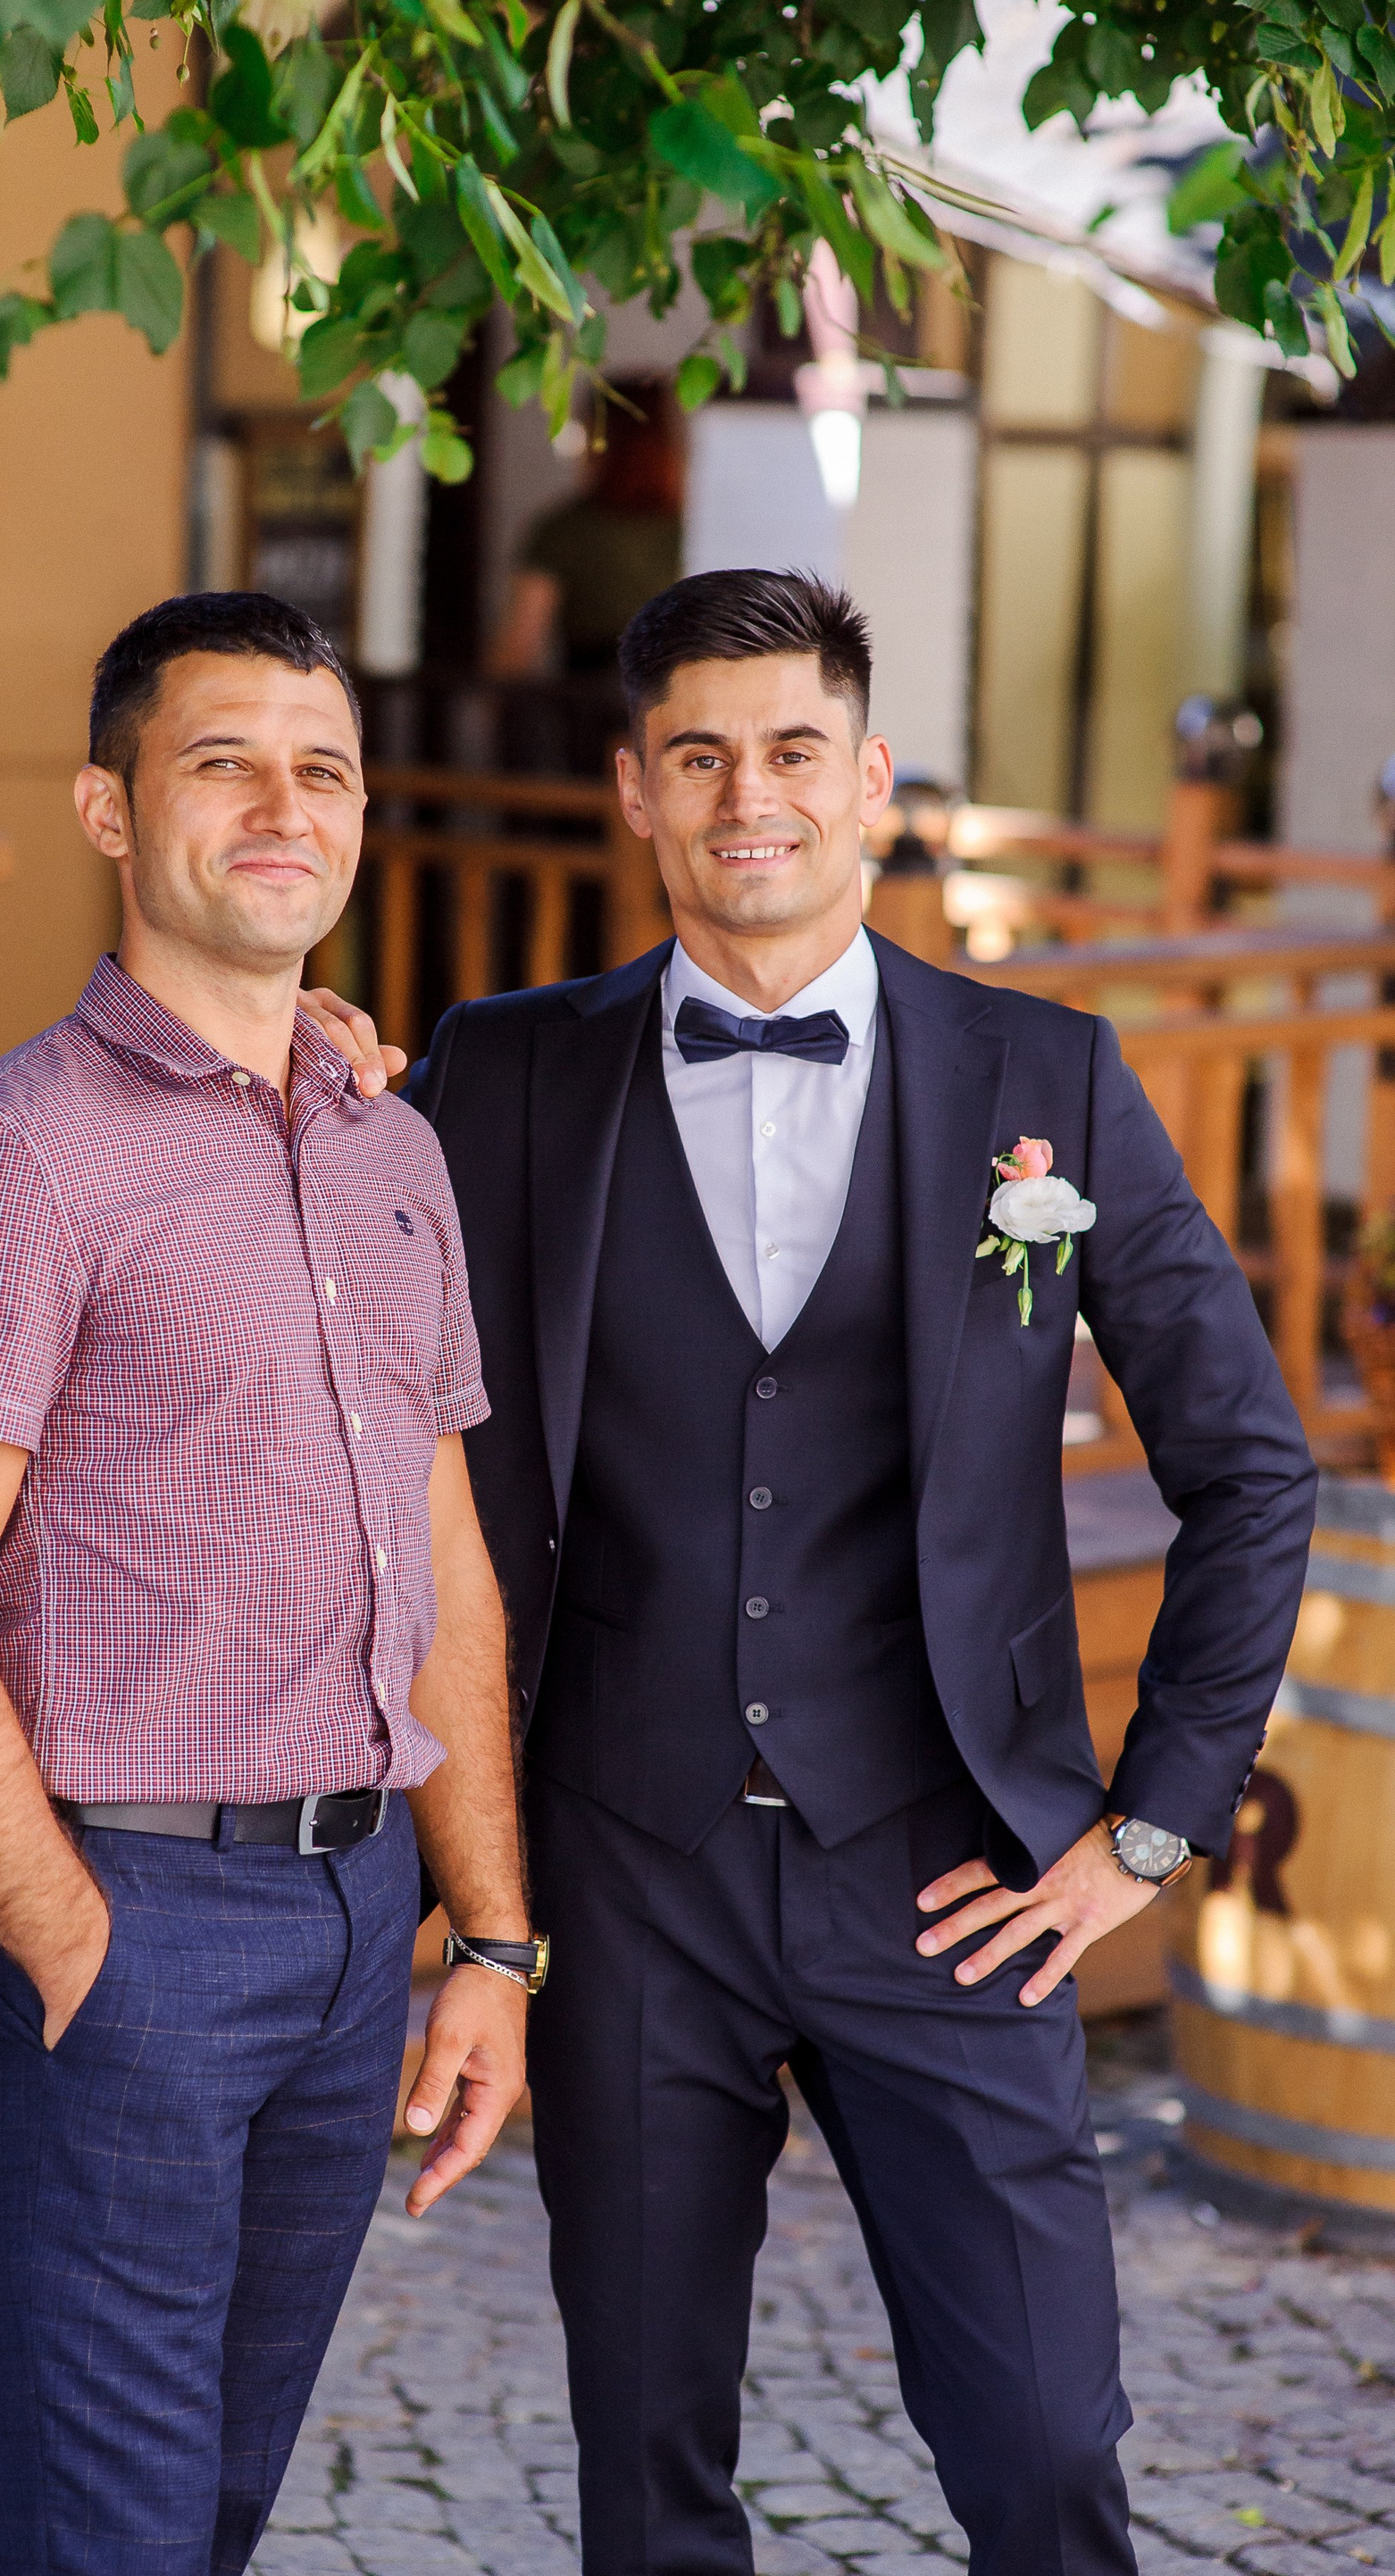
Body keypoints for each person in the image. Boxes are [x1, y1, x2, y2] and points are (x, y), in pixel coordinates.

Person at [313, 569, 1316, 2574]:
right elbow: (320, 1270)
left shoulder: (1049, 1080)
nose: (745, 795)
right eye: (696, 756)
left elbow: (1250, 1467)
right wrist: (300, 1065)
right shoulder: (501, 1074)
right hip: (628, 1873)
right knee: (647, 2472)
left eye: (791, 750)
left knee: (1045, 2451)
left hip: (954, 1877)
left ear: (871, 782)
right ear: (635, 791)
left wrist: (1144, 1833)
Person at [0, 591, 542, 2576]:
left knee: (215, 2506)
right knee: (116, 2524)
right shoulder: (16, 1160)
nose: (283, 809)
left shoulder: (391, 1150)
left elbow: (444, 1556)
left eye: (324, 771)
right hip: (138, 1913)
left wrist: (490, 1939)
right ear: (111, 809)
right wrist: (72, 1942)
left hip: (360, 1912)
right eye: (224, 763)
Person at [488, 373, 683, 679]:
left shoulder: (563, 529)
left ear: (600, 439)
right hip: (678, 698)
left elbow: (517, 649)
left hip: (589, 698)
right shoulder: (696, 525)